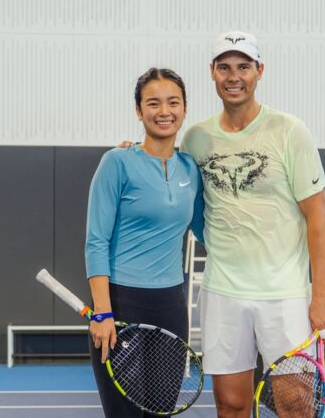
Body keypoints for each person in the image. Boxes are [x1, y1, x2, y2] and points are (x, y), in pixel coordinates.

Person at [180, 31, 325, 417]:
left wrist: (320, 295)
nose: (234, 76)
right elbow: (180, 193)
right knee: (231, 406)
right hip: (223, 293)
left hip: (285, 295)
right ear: (213, 74)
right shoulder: (196, 139)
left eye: (243, 67)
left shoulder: (289, 131)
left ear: (259, 72)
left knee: (295, 406)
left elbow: (318, 217)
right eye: (225, 67)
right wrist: (132, 150)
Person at [84, 67, 204, 417]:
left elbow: (207, 230)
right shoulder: (116, 163)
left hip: (170, 306)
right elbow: (95, 242)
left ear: (184, 109)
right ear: (139, 111)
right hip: (121, 307)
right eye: (153, 103)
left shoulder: (190, 169)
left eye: (173, 102)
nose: (163, 111)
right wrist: (103, 312)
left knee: (160, 412)